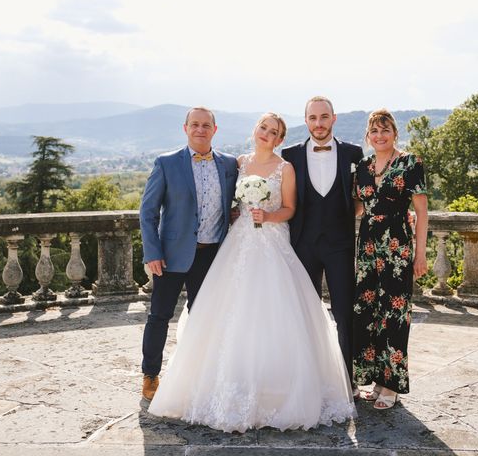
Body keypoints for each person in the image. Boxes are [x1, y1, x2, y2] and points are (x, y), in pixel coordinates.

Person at [148, 113, 356, 433]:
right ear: (255, 130)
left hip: (272, 242)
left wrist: (269, 215)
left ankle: (278, 387)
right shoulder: (238, 163)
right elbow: (224, 198)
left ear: (280, 139)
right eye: (263, 128)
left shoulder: (285, 168)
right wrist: (237, 212)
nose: (266, 134)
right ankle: (179, 377)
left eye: (273, 132)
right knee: (228, 312)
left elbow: (290, 208)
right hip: (239, 242)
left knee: (273, 311)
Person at [139, 107, 238, 401]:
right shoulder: (167, 163)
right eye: (194, 124)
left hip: (211, 256)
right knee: (159, 316)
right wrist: (152, 252)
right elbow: (147, 212)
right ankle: (150, 374)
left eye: (206, 125)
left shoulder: (229, 165)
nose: (200, 129)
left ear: (215, 130)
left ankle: (200, 375)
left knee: (205, 318)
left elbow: (234, 203)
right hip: (170, 256)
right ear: (185, 129)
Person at [281, 96, 364, 388]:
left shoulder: (354, 154)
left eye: (324, 117)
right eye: (313, 118)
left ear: (334, 119)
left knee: (344, 312)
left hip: (340, 245)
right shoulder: (289, 155)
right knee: (305, 313)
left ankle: (346, 379)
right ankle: (308, 379)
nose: (319, 123)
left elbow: (364, 196)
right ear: (306, 121)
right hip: (302, 245)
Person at [352, 109, 428, 410]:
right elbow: (358, 208)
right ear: (368, 136)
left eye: (385, 130)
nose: (379, 135)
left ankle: (390, 385)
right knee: (366, 313)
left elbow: (422, 212)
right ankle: (372, 378)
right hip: (368, 246)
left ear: (394, 133)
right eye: (374, 131)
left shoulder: (410, 162)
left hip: (397, 247)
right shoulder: (363, 166)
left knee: (394, 315)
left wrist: (420, 254)